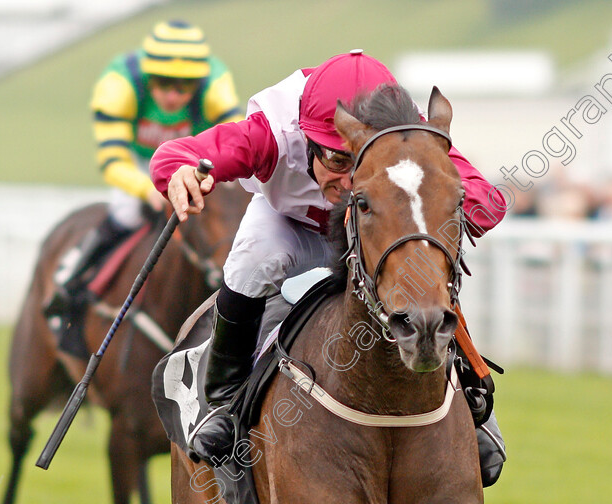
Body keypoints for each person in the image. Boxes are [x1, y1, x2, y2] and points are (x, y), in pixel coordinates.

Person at [151, 50, 508, 485]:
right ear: (306, 138)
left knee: (423, 264)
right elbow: (185, 153)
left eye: (359, 164)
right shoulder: (270, 133)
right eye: (337, 161)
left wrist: (442, 210)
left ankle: (474, 407)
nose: (349, 180)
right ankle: (224, 403)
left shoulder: (408, 131)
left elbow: (482, 195)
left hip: (371, 226)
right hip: (291, 225)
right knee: (253, 257)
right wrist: (177, 172)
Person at [44, 20, 244, 318]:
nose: (173, 96)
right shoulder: (120, 85)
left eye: (185, 85)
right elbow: (113, 161)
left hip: (195, 161)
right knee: (126, 212)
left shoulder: (216, 86)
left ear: (199, 81)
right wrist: (147, 190)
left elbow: (236, 142)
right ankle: (72, 279)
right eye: (163, 82)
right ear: (148, 75)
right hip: (140, 164)